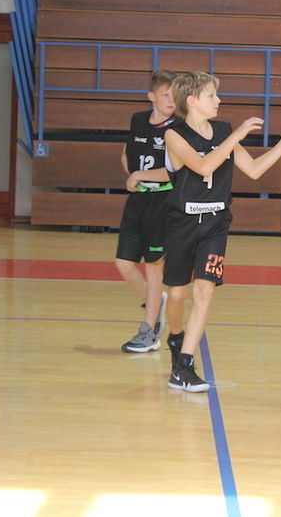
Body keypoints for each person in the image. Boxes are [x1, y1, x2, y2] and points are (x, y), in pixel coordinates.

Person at [163, 72, 281, 391]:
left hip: (216, 223)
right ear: (192, 101)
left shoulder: (223, 131)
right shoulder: (174, 134)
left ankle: (184, 366)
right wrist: (238, 135)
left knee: (205, 290)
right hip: (182, 223)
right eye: (212, 95)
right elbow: (203, 166)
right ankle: (175, 337)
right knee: (176, 294)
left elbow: (254, 170)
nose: (219, 100)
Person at [117, 70, 181, 353]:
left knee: (154, 268)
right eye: (165, 95)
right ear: (151, 96)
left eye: (175, 95)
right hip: (138, 201)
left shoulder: (178, 127)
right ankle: (156, 302)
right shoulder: (138, 120)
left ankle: (150, 331)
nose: (171, 100)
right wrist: (132, 174)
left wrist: (140, 175)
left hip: (163, 201)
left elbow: (175, 171)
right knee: (124, 263)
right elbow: (127, 152)